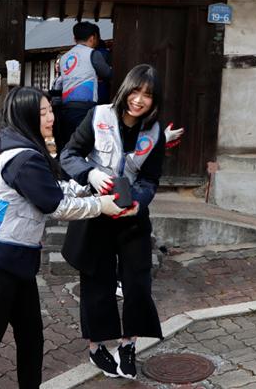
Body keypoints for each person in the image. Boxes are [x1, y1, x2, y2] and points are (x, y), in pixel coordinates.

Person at [0, 86, 123, 389]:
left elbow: (51, 186)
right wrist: (99, 205)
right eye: (42, 112)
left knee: (31, 337)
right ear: (26, 115)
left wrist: (85, 188)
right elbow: (54, 204)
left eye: (50, 110)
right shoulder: (22, 157)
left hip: (16, 263)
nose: (51, 117)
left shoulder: (21, 147)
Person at [60, 64, 167, 380]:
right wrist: (90, 173)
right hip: (97, 212)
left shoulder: (155, 131)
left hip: (132, 217)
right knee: (97, 284)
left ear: (154, 100)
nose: (138, 100)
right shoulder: (98, 116)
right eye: (135, 91)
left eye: (147, 95)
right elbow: (68, 155)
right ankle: (96, 349)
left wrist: (139, 202)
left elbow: (150, 180)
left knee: (137, 284)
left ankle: (128, 344)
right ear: (125, 90)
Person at [57, 21, 112, 153]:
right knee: (83, 143)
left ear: (74, 39)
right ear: (93, 38)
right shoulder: (93, 54)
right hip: (84, 107)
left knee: (68, 141)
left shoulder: (64, 57)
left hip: (66, 106)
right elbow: (107, 74)